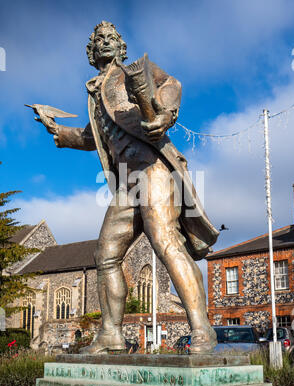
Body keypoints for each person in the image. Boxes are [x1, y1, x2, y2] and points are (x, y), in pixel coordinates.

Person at [34, 21, 219, 355]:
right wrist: (58, 131)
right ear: (91, 52)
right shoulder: (95, 91)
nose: (105, 43)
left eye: (111, 39)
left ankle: (201, 328)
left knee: (165, 242)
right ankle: (111, 334)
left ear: (120, 48)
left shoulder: (130, 73)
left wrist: (166, 113)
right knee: (105, 254)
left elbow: (170, 84)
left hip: (153, 169)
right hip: (126, 181)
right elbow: (95, 137)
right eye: (98, 40)